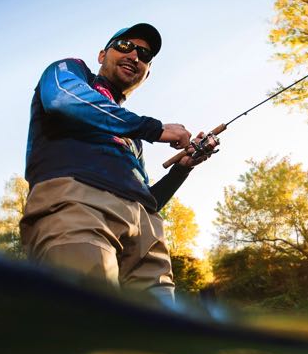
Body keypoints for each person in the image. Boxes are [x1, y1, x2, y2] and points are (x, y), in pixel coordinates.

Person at [19, 23, 212, 304]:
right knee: (87, 317)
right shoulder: (72, 71)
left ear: (146, 74)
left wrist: (183, 167)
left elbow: (149, 200)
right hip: (78, 203)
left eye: (144, 55)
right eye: (125, 46)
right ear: (101, 55)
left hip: (147, 232)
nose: (135, 56)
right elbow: (62, 99)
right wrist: (154, 128)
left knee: (160, 333)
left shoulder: (133, 135)